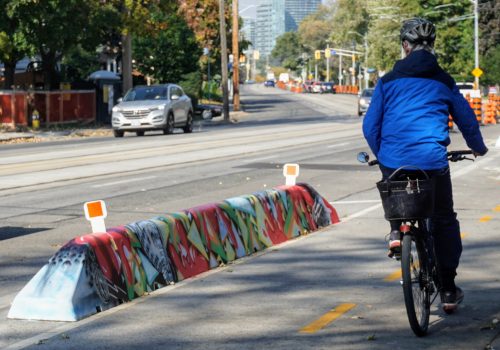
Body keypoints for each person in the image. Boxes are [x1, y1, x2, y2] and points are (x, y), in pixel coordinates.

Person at [362, 18, 488, 312]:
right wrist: (478, 148)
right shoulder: (443, 80)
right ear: (432, 46)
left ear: (405, 46)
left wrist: (384, 153)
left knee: (393, 186)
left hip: (393, 161)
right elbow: (467, 120)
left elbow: (370, 127)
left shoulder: (388, 80)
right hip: (432, 163)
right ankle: (447, 290)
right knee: (443, 219)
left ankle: (396, 232)